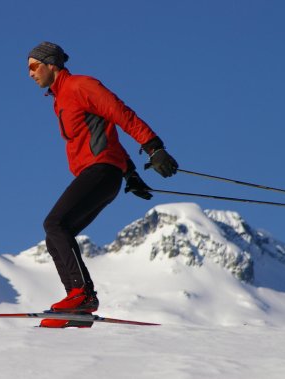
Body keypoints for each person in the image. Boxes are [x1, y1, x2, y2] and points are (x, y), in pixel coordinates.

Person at [27, 41, 178, 328]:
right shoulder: (60, 99)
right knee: (57, 233)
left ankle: (81, 296)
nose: (30, 73)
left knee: (55, 223)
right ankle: (78, 306)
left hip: (99, 172)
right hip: (101, 173)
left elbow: (120, 114)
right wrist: (130, 174)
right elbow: (107, 136)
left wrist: (153, 148)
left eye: (34, 66)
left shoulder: (81, 86)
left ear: (51, 64)